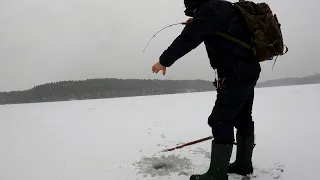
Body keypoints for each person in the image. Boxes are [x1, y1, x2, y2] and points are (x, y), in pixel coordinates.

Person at [152, 0, 261, 180]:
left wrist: (164, 61)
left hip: (235, 73)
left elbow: (189, 37)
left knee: (220, 119)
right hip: (248, 70)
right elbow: (220, 29)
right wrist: (198, 20)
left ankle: (217, 175)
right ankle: (243, 164)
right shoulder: (224, 7)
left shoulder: (210, 9)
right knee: (242, 117)